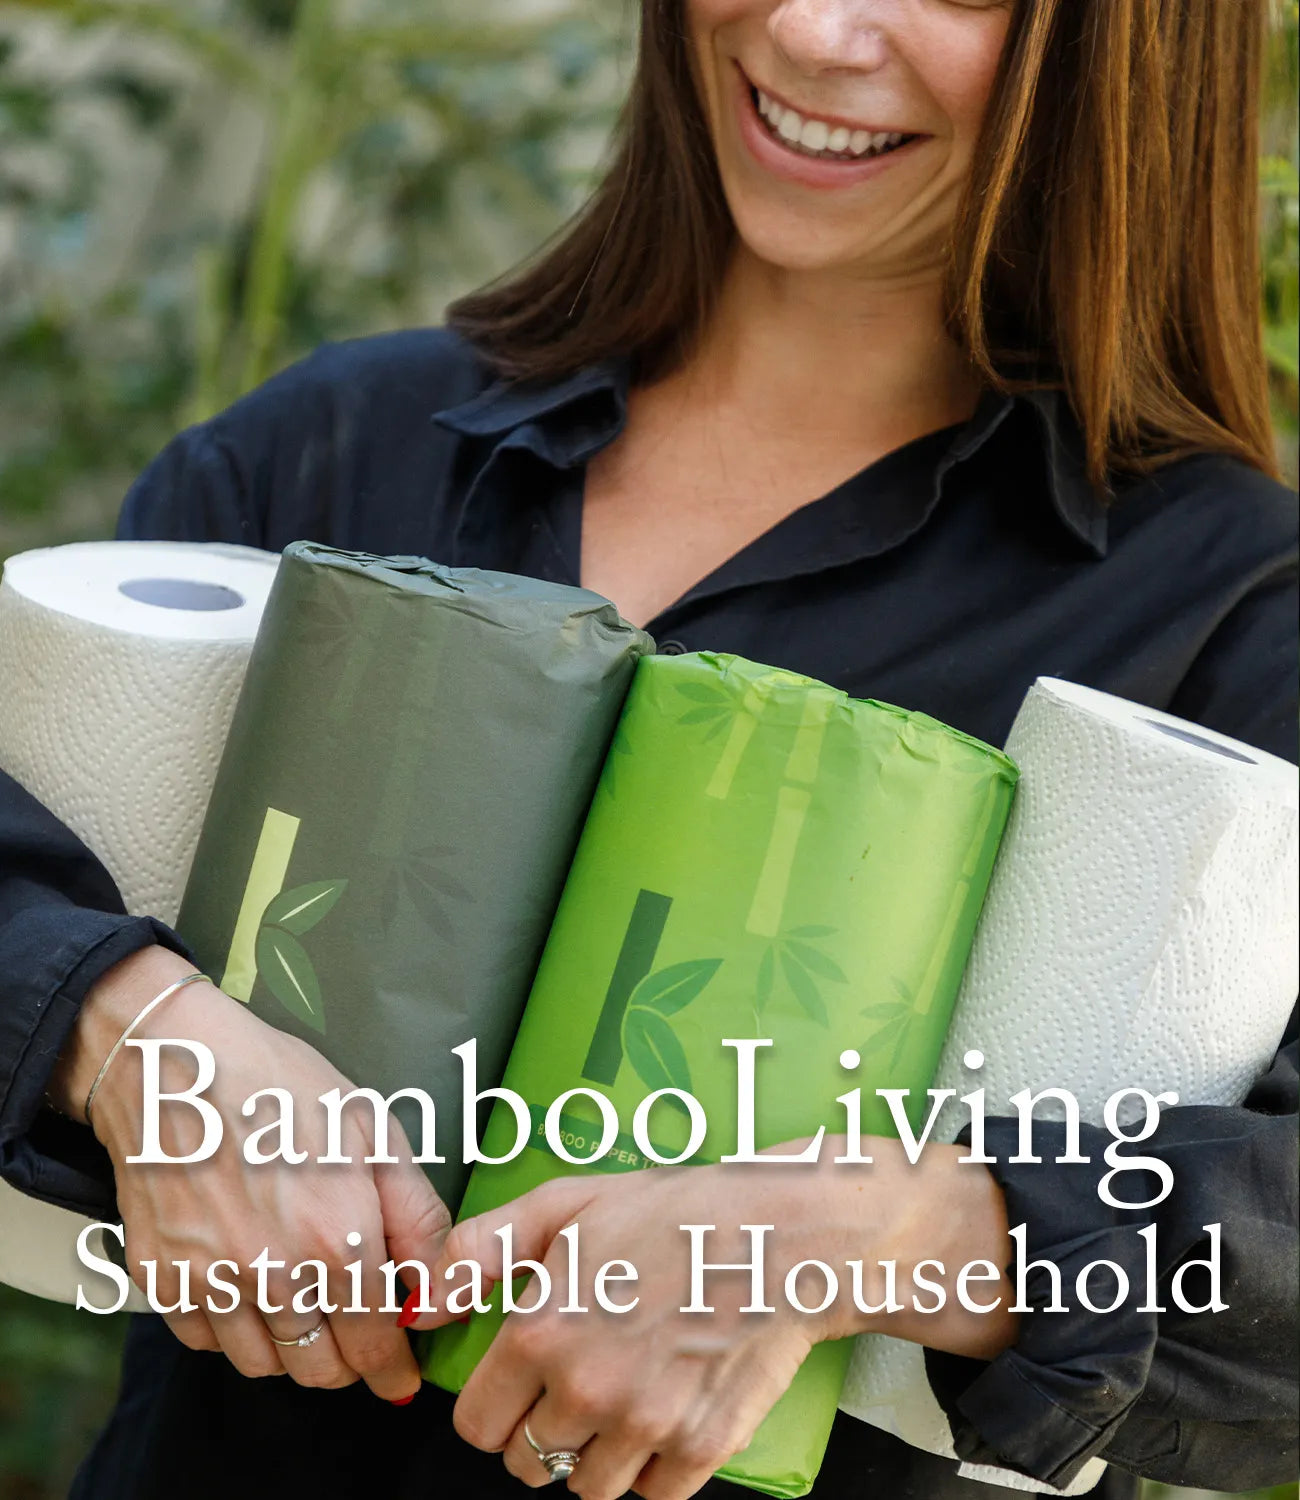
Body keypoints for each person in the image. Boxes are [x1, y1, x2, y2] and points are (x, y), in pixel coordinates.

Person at [1, 1, 1295, 1496]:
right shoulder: (335, 450)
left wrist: (890, 1231)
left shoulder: (1236, 618)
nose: (815, 30)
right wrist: (122, 1032)